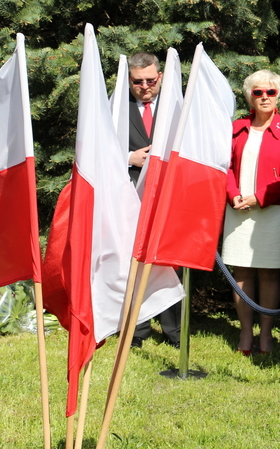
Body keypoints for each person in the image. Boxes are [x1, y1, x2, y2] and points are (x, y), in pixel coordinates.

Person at [221, 70, 280, 356]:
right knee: (241, 271)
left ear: (278, 95)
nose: (265, 97)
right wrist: (233, 196)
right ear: (249, 96)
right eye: (258, 92)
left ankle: (266, 333)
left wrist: (258, 198)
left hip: (272, 210)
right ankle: (245, 332)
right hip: (238, 208)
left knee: (269, 274)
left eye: (270, 92)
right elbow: (226, 166)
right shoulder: (235, 128)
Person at [127, 52, 181, 349]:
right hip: (130, 194)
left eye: (150, 80)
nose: (145, 86)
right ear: (129, 80)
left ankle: (175, 332)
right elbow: (99, 146)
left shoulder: (177, 106)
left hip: (168, 194)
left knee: (168, 260)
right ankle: (137, 329)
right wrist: (129, 157)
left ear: (160, 76)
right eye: (138, 82)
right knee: (134, 260)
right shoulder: (116, 107)